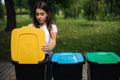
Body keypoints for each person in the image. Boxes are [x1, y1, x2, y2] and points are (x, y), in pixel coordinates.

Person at [28, 1, 58, 80]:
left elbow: (53, 41)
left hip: (47, 58)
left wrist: (50, 46)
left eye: (42, 14)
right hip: (34, 58)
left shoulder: (51, 27)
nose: (39, 17)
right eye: (37, 14)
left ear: (47, 14)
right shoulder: (31, 27)